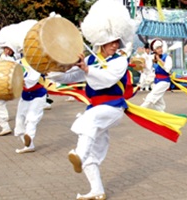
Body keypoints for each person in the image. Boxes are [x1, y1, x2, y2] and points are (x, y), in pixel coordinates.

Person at [48, 0, 134, 199]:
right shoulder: (91, 60)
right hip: (96, 108)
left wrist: (87, 70)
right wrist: (54, 72)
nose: (114, 45)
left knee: (88, 122)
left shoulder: (120, 60)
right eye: (111, 42)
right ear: (100, 41)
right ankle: (97, 190)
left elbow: (108, 79)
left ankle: (78, 154)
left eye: (117, 42)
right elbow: (71, 78)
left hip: (112, 108)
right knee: (91, 155)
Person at [14, 60, 47, 154]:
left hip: (38, 95)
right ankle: (29, 145)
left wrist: (20, 81)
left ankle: (29, 136)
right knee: (19, 121)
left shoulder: (38, 64)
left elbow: (32, 79)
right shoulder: (20, 62)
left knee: (32, 118)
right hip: (25, 96)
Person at [140, 38, 172, 112]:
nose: (160, 49)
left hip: (164, 81)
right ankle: (162, 115)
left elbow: (168, 68)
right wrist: (143, 66)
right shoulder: (152, 58)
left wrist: (159, 60)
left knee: (152, 95)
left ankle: (141, 109)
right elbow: (149, 70)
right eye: (158, 48)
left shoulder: (167, 57)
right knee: (158, 101)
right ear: (154, 50)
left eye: (160, 47)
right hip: (156, 81)